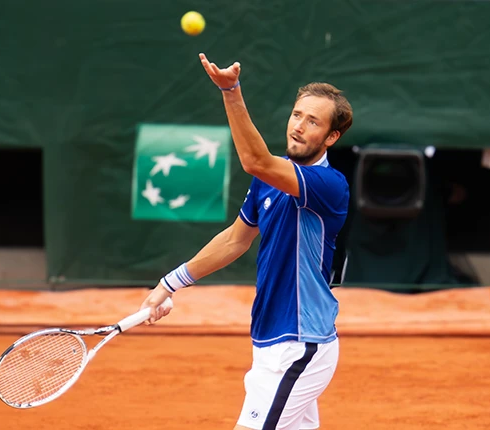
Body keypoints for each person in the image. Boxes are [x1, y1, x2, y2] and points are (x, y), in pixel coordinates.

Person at [140, 52, 353, 430]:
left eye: (313, 121)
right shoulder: (268, 181)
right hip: (269, 339)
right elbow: (234, 241)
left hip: (300, 344)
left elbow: (255, 160)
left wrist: (230, 91)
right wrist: (168, 284)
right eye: (297, 115)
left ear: (332, 136)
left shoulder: (329, 186)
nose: (299, 127)